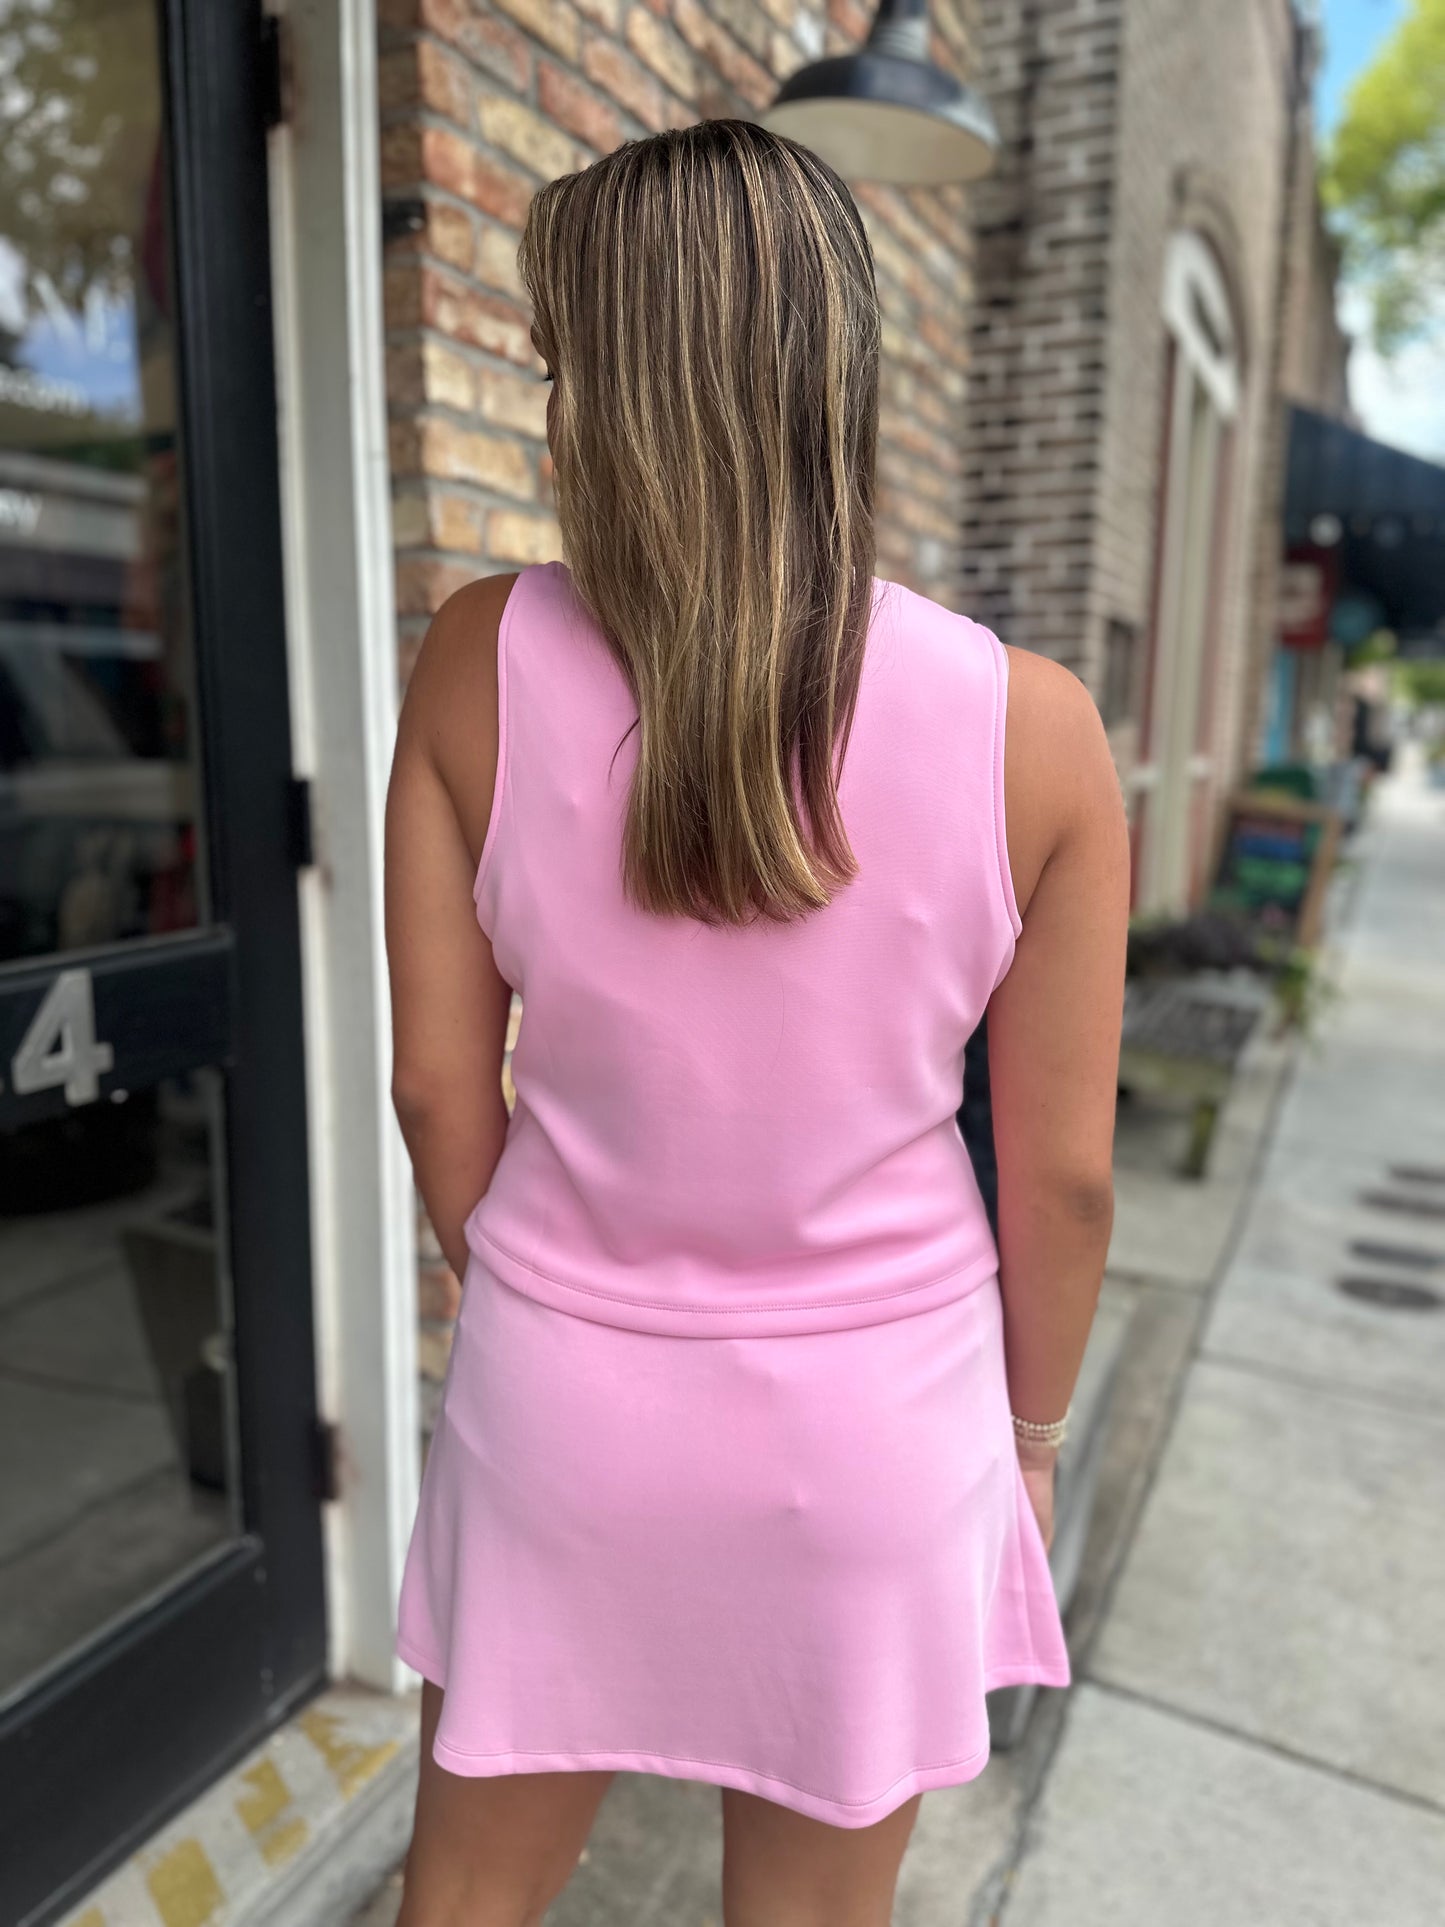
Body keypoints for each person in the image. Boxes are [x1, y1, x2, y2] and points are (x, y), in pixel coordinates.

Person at [384, 119, 1128, 1927]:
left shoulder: (477, 656)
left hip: (562, 1407)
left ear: (624, 395)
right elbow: (1065, 1180)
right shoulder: (1033, 729)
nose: (551, 413)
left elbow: (432, 1087)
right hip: (881, 1430)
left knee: (465, 1896)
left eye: (560, 367)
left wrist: (548, 1311)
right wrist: (1028, 1440)